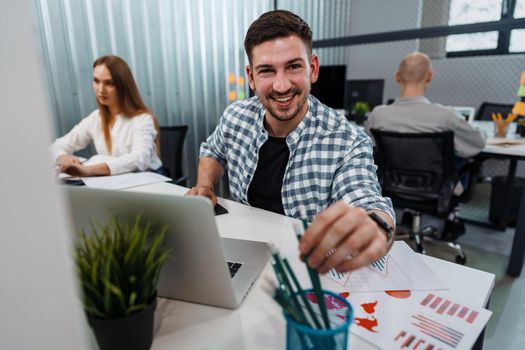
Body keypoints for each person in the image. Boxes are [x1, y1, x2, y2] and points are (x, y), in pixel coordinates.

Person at [186, 10, 395, 274]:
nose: (282, 85)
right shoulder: (236, 117)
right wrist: (205, 185)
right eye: (267, 71)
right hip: (244, 254)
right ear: (251, 77)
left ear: (313, 69)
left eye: (294, 66)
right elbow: (212, 150)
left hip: (307, 270)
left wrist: (375, 227)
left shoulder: (347, 140)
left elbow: (365, 199)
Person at [50, 55, 162, 176]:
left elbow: (139, 159)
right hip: (113, 181)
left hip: (147, 179)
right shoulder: (95, 118)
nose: (101, 90)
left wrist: (88, 170)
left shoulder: (143, 119)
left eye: (109, 83)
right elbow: (58, 145)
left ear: (123, 86)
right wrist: (62, 157)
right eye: (96, 81)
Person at [365, 52, 486, 159]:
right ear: (429, 76)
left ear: (397, 76)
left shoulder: (378, 115)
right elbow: (478, 143)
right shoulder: (445, 116)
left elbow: (370, 148)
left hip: (388, 183)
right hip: (437, 183)